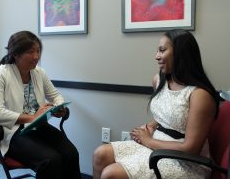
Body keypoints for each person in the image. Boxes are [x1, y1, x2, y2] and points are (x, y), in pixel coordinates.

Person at [93, 29, 219, 179]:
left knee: (110, 174)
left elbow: (190, 149)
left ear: (180, 53)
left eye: (162, 50)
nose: (156, 56)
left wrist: (149, 140)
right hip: (157, 143)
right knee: (100, 154)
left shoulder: (199, 95)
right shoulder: (159, 80)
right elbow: (165, 115)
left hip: (185, 161)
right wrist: (151, 126)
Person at [0, 30, 82, 179]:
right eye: (30, 52)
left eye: (38, 51)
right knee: (50, 160)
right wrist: (31, 117)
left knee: (71, 153)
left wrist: (59, 107)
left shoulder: (38, 73)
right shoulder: (0, 74)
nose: (36, 56)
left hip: (37, 127)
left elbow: (55, 96)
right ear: (16, 54)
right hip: (11, 133)